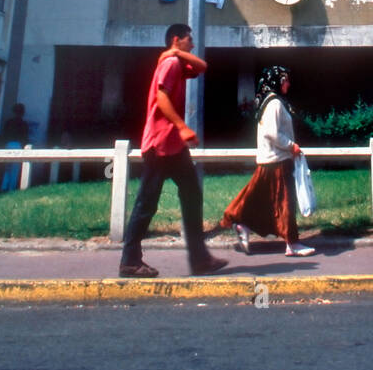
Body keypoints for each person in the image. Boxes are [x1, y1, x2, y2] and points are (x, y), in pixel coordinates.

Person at [119, 23, 227, 279]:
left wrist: (176, 52)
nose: (193, 43)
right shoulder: (169, 66)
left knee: (192, 196)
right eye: (189, 40)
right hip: (160, 144)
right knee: (147, 204)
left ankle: (200, 260)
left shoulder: (175, 62)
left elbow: (202, 66)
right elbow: (162, 99)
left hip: (173, 147)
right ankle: (130, 261)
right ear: (177, 39)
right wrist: (182, 127)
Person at [221, 65, 315, 257]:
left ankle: (242, 225)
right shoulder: (274, 104)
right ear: (277, 82)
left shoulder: (269, 102)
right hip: (278, 160)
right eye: (285, 80)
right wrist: (291, 146)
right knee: (284, 202)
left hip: (270, 160)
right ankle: (292, 243)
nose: (288, 83)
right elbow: (272, 133)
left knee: (259, 199)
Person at [0, 102, 29, 193]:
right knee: (15, 169)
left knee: (7, 168)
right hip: (18, 146)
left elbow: (4, 135)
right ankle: (11, 188)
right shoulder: (24, 124)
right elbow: (25, 137)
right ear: (23, 112)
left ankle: (4, 186)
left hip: (8, 145)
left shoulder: (8, 122)